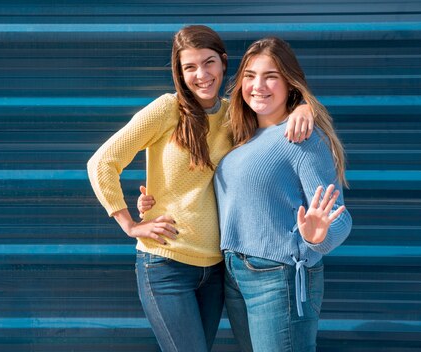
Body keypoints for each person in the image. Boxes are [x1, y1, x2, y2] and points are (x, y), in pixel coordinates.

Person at [87, 25, 314, 352]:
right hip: (166, 266)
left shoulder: (235, 114)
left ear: (223, 62)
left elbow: (273, 109)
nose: (201, 75)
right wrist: (130, 223)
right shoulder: (168, 109)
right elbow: (102, 162)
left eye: (208, 63)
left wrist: (302, 106)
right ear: (180, 73)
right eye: (189, 67)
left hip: (217, 270)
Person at [216, 37, 352, 351]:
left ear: (289, 84)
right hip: (235, 273)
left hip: (279, 278)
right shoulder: (242, 135)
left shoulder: (302, 137)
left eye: (271, 76)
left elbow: (338, 219)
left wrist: (317, 238)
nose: (258, 85)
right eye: (250, 75)